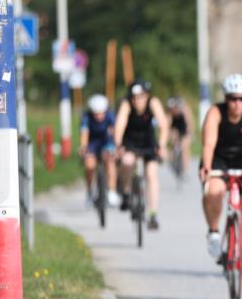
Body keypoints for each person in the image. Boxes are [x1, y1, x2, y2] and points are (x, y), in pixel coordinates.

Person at [199, 73, 242, 281]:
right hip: (219, 158)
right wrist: (207, 166)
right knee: (214, 190)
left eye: (241, 98)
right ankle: (213, 232)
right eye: (232, 98)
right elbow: (209, 143)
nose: (237, 103)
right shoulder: (215, 112)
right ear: (226, 98)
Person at [115, 80, 170, 230]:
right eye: (135, 97)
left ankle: (152, 214)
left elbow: (163, 125)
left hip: (148, 142)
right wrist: (119, 145)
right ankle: (126, 192)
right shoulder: (126, 105)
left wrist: (162, 146)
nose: (138, 101)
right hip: (130, 141)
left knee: (152, 175)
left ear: (147, 96)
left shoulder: (153, 102)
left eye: (141, 97)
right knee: (127, 162)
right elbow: (119, 125)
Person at [78, 94, 120, 208]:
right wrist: (83, 148)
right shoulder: (86, 117)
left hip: (107, 142)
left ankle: (112, 191)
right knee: (89, 165)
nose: (99, 116)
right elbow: (84, 134)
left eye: (101, 113)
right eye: (96, 113)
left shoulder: (110, 116)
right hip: (92, 143)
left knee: (110, 161)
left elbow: (116, 131)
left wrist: (117, 147)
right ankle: (90, 191)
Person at [166, 96, 194, 175]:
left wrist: (189, 134)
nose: (173, 110)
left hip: (184, 128)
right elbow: (167, 125)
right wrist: (169, 136)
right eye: (171, 109)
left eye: (174, 108)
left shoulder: (185, 109)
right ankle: (171, 161)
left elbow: (189, 122)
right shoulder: (169, 112)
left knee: (185, 146)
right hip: (175, 127)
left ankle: (185, 168)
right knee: (173, 141)